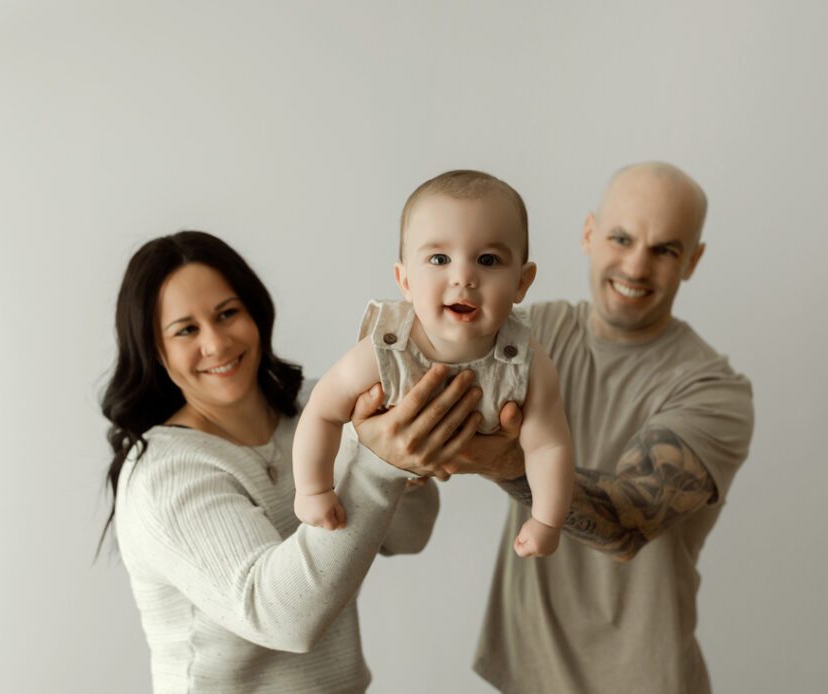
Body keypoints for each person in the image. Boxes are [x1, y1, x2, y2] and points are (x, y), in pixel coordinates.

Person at [355, 162, 755, 694]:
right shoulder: (522, 339)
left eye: (664, 250)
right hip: (522, 672)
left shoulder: (713, 390)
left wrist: (502, 462)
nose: (636, 266)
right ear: (589, 234)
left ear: (693, 261)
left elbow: (626, 524)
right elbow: (408, 398)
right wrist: (388, 441)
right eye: (621, 237)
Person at [98, 230, 475, 693]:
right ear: (156, 350)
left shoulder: (315, 410)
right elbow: (282, 618)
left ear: (256, 312)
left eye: (227, 313)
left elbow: (407, 536)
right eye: (186, 330)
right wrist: (378, 463)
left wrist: (405, 463)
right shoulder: (166, 474)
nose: (216, 343)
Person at [292, 170, 574, 557]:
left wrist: (546, 520)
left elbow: (549, 446)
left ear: (522, 282)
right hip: (362, 473)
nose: (463, 277)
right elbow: (322, 413)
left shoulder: (527, 361)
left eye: (488, 260)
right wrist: (313, 489)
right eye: (439, 258)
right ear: (404, 280)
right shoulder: (385, 350)